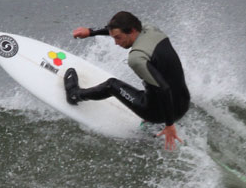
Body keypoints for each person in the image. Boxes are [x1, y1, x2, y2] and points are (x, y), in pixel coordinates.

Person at [65, 11, 190, 150]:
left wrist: (169, 125)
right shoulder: (151, 30)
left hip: (158, 113)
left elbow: (164, 89)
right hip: (184, 103)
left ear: (131, 31)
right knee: (154, 81)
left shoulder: (136, 58)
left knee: (111, 85)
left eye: (118, 38)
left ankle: (75, 95)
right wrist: (91, 32)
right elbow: (117, 28)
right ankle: (153, 126)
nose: (116, 43)